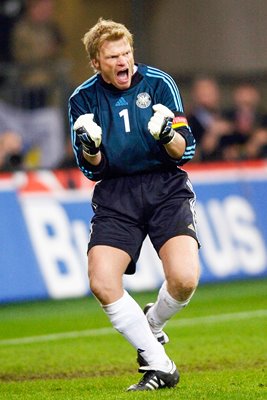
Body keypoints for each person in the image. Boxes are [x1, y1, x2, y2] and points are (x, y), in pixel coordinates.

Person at [69, 18, 200, 392]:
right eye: (113, 56)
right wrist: (91, 149)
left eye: (126, 52)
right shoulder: (83, 98)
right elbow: (91, 169)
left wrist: (166, 135)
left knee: (184, 279)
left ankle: (152, 322)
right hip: (115, 194)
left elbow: (185, 150)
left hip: (165, 188)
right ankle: (160, 366)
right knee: (101, 281)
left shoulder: (159, 83)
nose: (122, 60)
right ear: (97, 62)